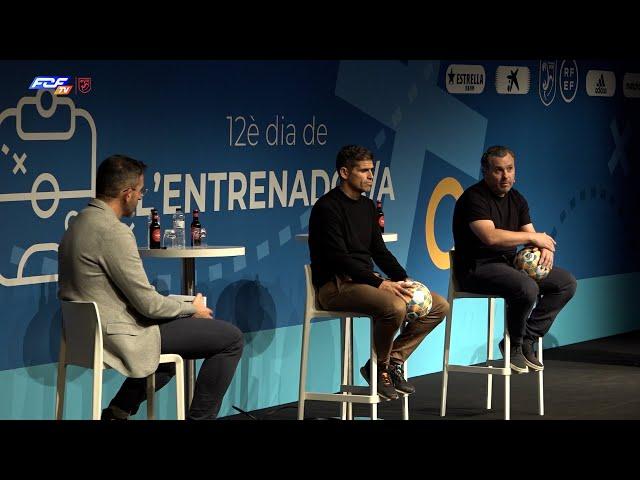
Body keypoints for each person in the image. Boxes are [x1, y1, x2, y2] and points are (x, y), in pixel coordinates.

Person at [58, 154, 243, 420]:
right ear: (127, 193)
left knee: (177, 338)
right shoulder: (112, 231)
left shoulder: (78, 224)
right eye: (141, 191)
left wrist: (182, 309)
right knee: (231, 338)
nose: (142, 197)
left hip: (86, 335)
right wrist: (192, 306)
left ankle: (118, 412)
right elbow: (148, 305)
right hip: (118, 335)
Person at [308, 145, 449, 401]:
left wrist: (404, 279)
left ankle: (392, 360)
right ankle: (379, 368)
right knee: (394, 307)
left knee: (438, 305)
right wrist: (379, 283)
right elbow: (339, 258)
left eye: (371, 170)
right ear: (344, 172)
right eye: (363, 171)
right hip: (335, 286)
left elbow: (379, 251)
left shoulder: (367, 207)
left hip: (365, 281)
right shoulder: (327, 208)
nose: (371, 176)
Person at [452, 145, 577, 373]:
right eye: (498, 170)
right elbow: (490, 237)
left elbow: (531, 235)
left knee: (565, 283)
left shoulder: (517, 199)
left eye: (509, 169)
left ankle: (527, 337)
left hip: (509, 267)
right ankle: (514, 346)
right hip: (476, 269)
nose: (506, 175)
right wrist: (535, 237)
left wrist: (544, 247)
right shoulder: (474, 198)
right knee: (526, 287)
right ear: (485, 171)